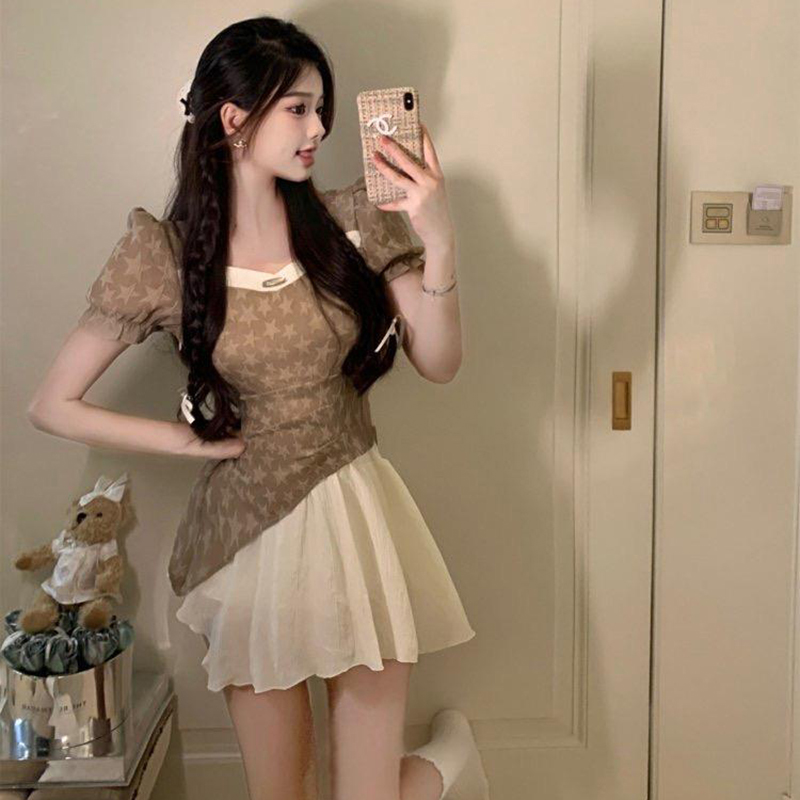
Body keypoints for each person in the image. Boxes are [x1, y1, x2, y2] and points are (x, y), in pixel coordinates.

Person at [26, 15, 489, 800]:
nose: (319, 129)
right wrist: (193, 444)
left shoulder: (353, 221)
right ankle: (450, 763)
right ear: (234, 119)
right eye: (298, 109)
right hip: (247, 538)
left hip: (354, 521)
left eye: (321, 109)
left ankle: (448, 763)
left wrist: (438, 240)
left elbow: (440, 364)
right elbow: (53, 405)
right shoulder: (163, 255)